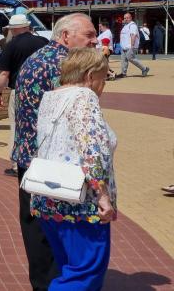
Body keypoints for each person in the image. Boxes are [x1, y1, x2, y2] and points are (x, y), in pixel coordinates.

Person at [11, 12, 97, 291]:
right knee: (56, 232)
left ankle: (43, 283)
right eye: (89, 35)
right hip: (52, 162)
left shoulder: (36, 58)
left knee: (35, 228)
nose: (94, 41)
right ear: (65, 36)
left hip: (29, 158)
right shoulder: (64, 65)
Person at [32, 47, 116, 290]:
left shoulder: (51, 97)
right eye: (103, 78)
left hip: (48, 196)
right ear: (90, 76)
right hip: (80, 201)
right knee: (84, 272)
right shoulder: (84, 96)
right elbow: (92, 147)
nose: (104, 85)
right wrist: (102, 195)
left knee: (68, 265)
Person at [0, 14, 48, 177]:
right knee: (41, 127)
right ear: (27, 26)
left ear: (13, 29)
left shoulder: (11, 45)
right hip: (43, 92)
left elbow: (4, 73)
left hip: (20, 92)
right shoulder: (43, 42)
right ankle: (41, 161)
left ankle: (17, 165)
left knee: (17, 128)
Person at [117, 12, 148, 78]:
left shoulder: (132, 25)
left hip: (130, 46)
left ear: (131, 18)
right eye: (125, 18)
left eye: (127, 18)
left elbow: (133, 35)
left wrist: (132, 46)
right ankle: (123, 73)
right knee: (124, 60)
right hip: (124, 46)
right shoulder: (125, 26)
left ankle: (144, 68)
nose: (126, 19)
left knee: (130, 58)